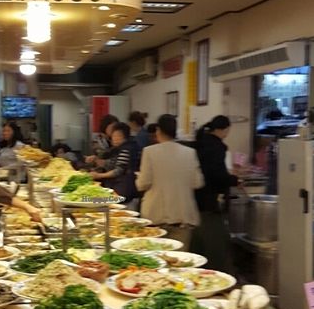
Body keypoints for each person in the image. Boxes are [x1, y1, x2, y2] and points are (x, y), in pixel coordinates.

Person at [136, 114, 203, 248]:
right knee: (178, 261)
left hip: (156, 216)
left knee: (155, 261)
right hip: (182, 215)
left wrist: (138, 177)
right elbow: (197, 182)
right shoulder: (190, 152)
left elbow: (143, 184)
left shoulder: (149, 152)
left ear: (158, 131)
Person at [190, 115, 239, 273]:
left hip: (196, 195)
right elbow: (217, 174)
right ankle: (215, 270)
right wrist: (234, 180)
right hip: (210, 197)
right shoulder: (217, 147)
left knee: (199, 235)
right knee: (214, 238)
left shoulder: (200, 141)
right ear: (224, 129)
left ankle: (197, 265)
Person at [90, 122, 139, 206]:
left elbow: (119, 170)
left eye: (118, 136)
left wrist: (99, 175)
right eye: (113, 136)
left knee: (92, 201)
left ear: (124, 137)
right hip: (118, 187)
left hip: (122, 189)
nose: (115, 139)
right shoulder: (119, 149)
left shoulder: (125, 150)